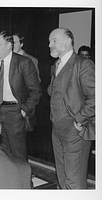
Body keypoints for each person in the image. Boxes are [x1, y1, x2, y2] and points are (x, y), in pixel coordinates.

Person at [47, 28, 95, 189]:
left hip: (74, 130)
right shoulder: (56, 65)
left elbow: (95, 97)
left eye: (54, 41)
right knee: (62, 175)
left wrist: (79, 121)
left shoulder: (83, 64)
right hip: (57, 128)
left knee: (74, 179)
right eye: (49, 41)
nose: (50, 45)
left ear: (68, 42)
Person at [0, 31, 42, 161]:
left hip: (15, 113)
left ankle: (23, 181)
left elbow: (36, 91)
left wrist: (23, 110)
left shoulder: (24, 62)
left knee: (18, 154)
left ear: (8, 45)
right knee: (3, 153)